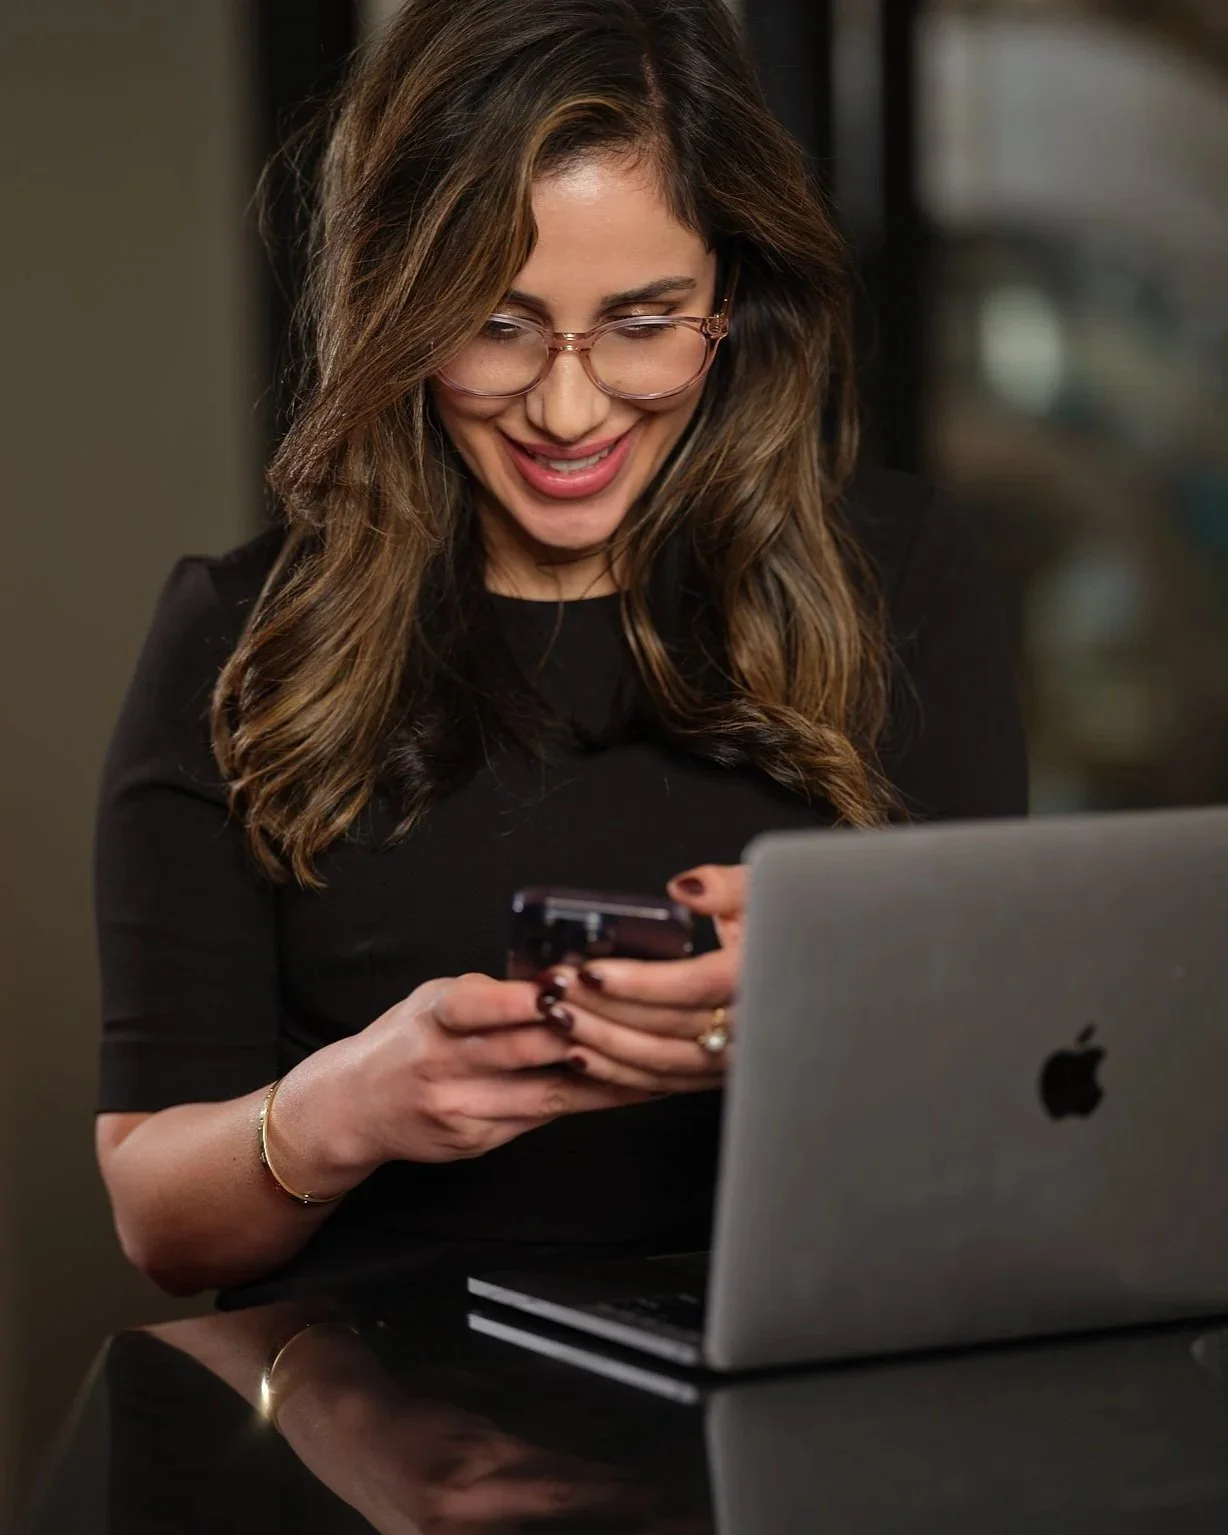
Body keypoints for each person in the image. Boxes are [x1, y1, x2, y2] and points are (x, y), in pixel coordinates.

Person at [94, 0, 1028, 1303]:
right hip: (375, 1431)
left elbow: (1018, 1119)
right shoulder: (240, 635)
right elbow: (160, 1219)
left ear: (735, 296)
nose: (570, 406)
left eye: (646, 323)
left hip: (797, 1383)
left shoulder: (900, 574)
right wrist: (344, 1110)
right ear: (402, 308)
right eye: (497, 323)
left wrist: (848, 1006)